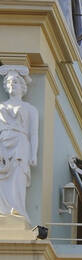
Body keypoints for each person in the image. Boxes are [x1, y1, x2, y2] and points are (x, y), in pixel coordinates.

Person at [0, 68, 39, 220]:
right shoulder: (0, 107)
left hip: (21, 144)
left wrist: (33, 154)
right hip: (3, 143)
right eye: (9, 82)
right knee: (3, 180)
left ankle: (17, 210)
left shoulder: (30, 109)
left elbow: (33, 133)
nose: (12, 85)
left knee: (18, 177)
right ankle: (3, 211)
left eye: (15, 82)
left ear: (23, 86)